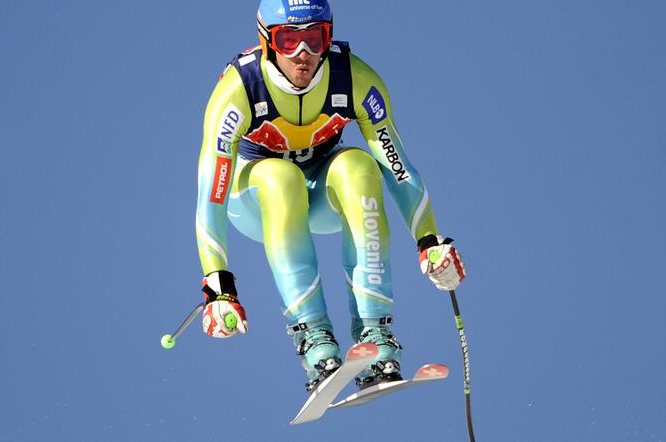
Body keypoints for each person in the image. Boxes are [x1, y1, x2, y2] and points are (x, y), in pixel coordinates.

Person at [195, 0, 466, 392]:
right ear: (267, 42)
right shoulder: (239, 89)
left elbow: (397, 165)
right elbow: (211, 194)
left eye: (315, 39)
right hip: (254, 199)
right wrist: (218, 288)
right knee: (281, 176)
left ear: (329, 36)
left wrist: (429, 239)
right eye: (289, 41)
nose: (303, 55)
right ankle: (314, 340)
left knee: (358, 165)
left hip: (321, 195)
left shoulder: (354, 78)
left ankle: (376, 335)